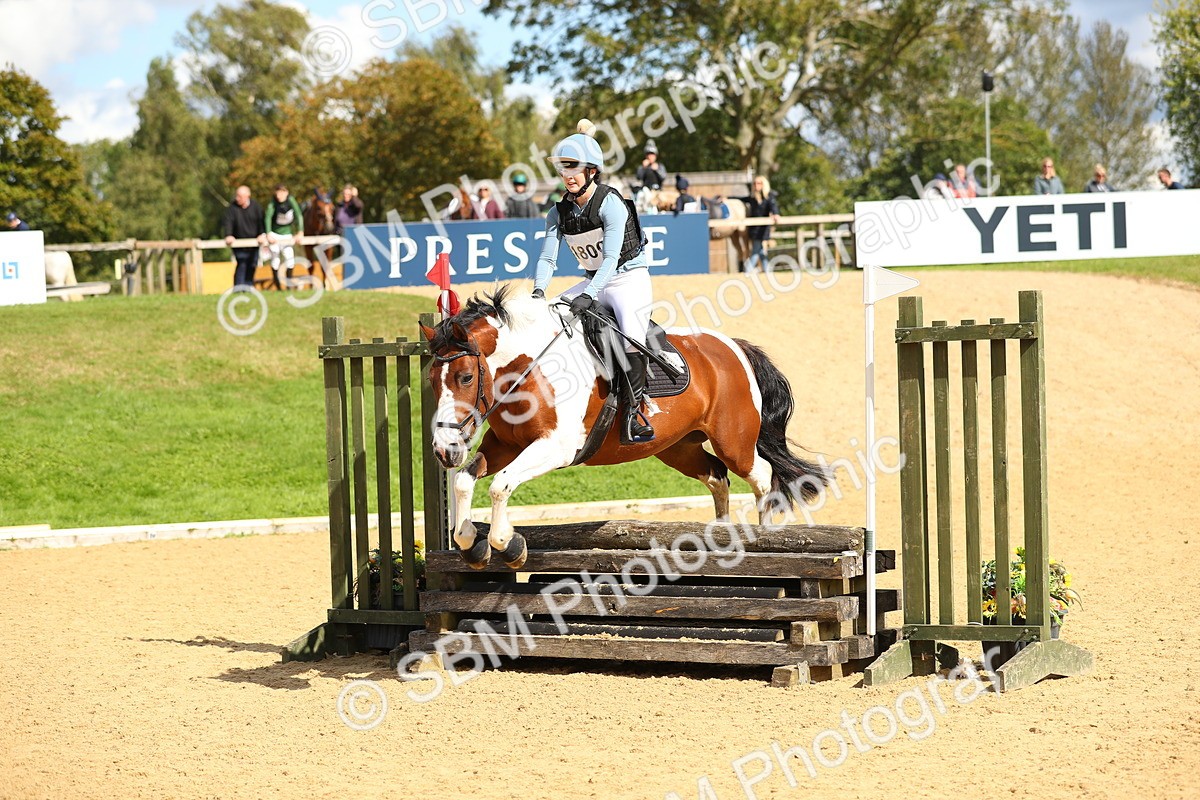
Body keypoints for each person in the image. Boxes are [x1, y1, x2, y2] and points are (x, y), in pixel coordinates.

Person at [533, 119, 655, 443]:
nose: (567, 176)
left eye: (574, 168)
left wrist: (589, 293)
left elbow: (612, 260)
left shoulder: (611, 203)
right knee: (551, 316)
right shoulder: (557, 213)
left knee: (631, 335)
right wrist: (538, 293)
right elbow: (547, 259)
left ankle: (634, 414)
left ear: (591, 171)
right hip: (592, 280)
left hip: (628, 279)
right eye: (562, 169)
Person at [221, 186, 266, 289]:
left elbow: (261, 222)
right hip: (239, 243)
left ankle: (248, 287)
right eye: (237, 196)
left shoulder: (256, 207)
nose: (237, 198)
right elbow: (228, 222)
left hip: (254, 243)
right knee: (242, 263)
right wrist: (228, 235)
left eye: (240, 196)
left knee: (252, 264)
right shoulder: (232, 208)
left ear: (247, 196)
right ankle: (238, 288)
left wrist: (261, 234)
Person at [736, 175, 780, 273]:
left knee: (756, 251)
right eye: (755, 183)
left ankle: (747, 272)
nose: (756, 185)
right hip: (754, 229)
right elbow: (740, 198)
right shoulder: (752, 198)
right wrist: (727, 198)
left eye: (759, 183)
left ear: (764, 185)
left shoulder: (769, 197)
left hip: (763, 229)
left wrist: (776, 214)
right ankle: (767, 271)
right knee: (760, 251)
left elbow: (773, 207)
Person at [264, 184, 304, 289]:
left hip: (287, 234)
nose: (279, 195)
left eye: (282, 192)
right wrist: (268, 233)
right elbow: (268, 217)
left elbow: (298, 215)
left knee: (290, 259)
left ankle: (289, 285)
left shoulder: (291, 201)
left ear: (286, 192)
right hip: (274, 234)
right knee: (275, 259)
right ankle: (278, 286)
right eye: (278, 192)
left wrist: (300, 231)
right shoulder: (273, 203)